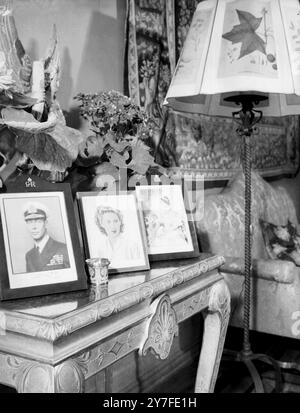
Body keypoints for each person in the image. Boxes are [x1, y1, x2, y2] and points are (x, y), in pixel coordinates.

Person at [23, 201, 70, 273]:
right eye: (29, 222)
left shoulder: (64, 249)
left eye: (38, 221)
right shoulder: (29, 255)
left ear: (46, 223)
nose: (34, 227)